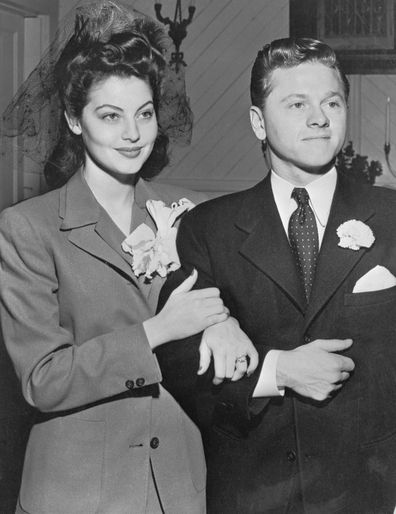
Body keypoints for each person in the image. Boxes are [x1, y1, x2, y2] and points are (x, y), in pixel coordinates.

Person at [0, 2, 258, 513]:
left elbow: (232, 314)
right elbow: (43, 380)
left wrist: (224, 319)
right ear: (74, 120)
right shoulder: (27, 228)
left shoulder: (190, 212)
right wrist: (156, 331)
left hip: (179, 485)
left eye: (143, 114)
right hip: (76, 493)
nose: (133, 134)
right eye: (109, 116)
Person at [157, 37, 396, 513]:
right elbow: (179, 362)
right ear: (258, 122)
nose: (319, 118)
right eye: (296, 103)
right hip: (253, 493)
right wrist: (277, 371)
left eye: (332, 102)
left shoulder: (390, 216)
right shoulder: (211, 228)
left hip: (369, 492)